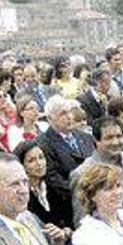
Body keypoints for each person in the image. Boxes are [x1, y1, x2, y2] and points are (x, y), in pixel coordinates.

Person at [69, 117, 123, 241]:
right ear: (96, 141)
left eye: (119, 136)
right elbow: (82, 220)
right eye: (109, 138)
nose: (116, 142)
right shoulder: (82, 173)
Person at [37, 96, 96, 227]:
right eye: (63, 113)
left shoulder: (85, 137)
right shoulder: (43, 144)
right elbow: (53, 179)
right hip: (68, 209)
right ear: (50, 119)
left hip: (95, 201)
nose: (69, 116)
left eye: (70, 112)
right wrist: (84, 192)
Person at [13, 140, 73, 232]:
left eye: (41, 157)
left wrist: (66, 232)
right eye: (31, 160)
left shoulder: (57, 187)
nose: (39, 163)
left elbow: (70, 220)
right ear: (22, 165)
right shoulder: (20, 195)